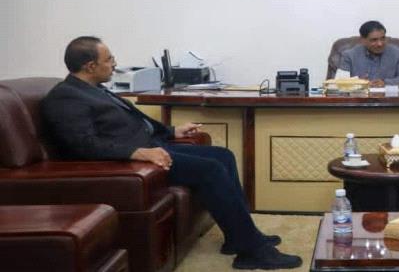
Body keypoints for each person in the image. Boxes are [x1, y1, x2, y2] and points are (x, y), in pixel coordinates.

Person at [41, 36, 302, 270]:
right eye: (109, 59)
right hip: (129, 162)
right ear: (90, 66)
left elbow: (136, 121)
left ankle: (239, 236)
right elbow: (83, 145)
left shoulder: (93, 89)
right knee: (211, 170)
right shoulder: (65, 98)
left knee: (223, 156)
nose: (115, 63)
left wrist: (172, 131)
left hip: (152, 146)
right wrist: (137, 153)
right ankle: (252, 251)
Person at [339, 20, 399, 87]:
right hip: (360, 96)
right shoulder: (349, 56)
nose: (380, 44)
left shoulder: (398, 54)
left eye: (383, 38)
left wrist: (385, 83)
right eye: (374, 40)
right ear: (362, 40)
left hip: (388, 96)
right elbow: (339, 83)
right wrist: (360, 83)